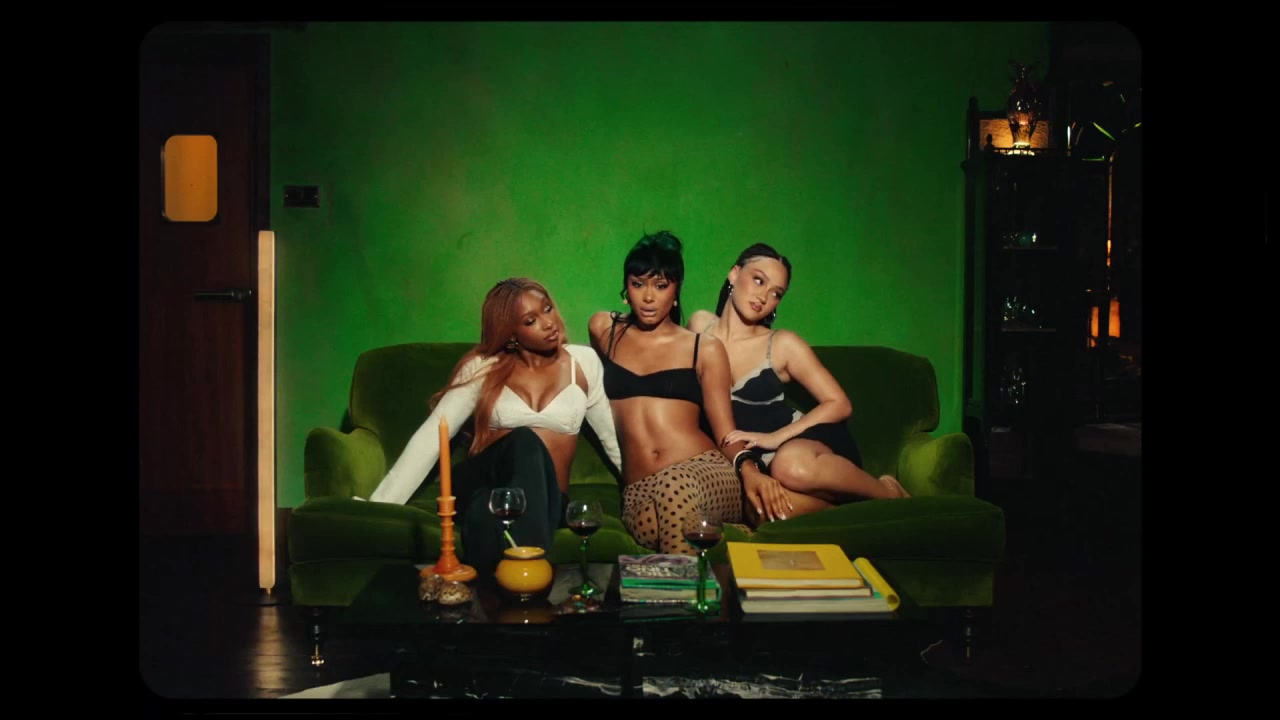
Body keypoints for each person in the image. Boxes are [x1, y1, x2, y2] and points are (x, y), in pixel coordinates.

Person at [358, 278, 622, 574]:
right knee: (525, 441)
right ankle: (529, 572)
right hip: (486, 484)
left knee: (484, 519)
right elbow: (433, 435)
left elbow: (613, 439)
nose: (549, 323)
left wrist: (646, 492)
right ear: (511, 334)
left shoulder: (583, 363)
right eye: (531, 320)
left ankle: (505, 585)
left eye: (547, 309)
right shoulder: (484, 367)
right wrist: (380, 505)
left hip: (548, 502)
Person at [686, 243, 909, 523]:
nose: (763, 297)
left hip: (804, 447)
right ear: (734, 273)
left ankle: (888, 493)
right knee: (760, 510)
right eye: (759, 280)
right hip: (753, 459)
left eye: (776, 293)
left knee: (789, 466)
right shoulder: (700, 326)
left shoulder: (781, 344)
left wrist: (776, 438)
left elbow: (840, 404)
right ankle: (845, 511)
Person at [588, 230, 769, 555]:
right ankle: (728, 537)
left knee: (674, 489)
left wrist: (750, 471)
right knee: (655, 526)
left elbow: (725, 432)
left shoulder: (704, 348)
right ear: (626, 288)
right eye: (638, 284)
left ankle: (681, 588)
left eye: (660, 286)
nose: (648, 297)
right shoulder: (606, 330)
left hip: (705, 472)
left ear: (676, 290)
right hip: (640, 490)